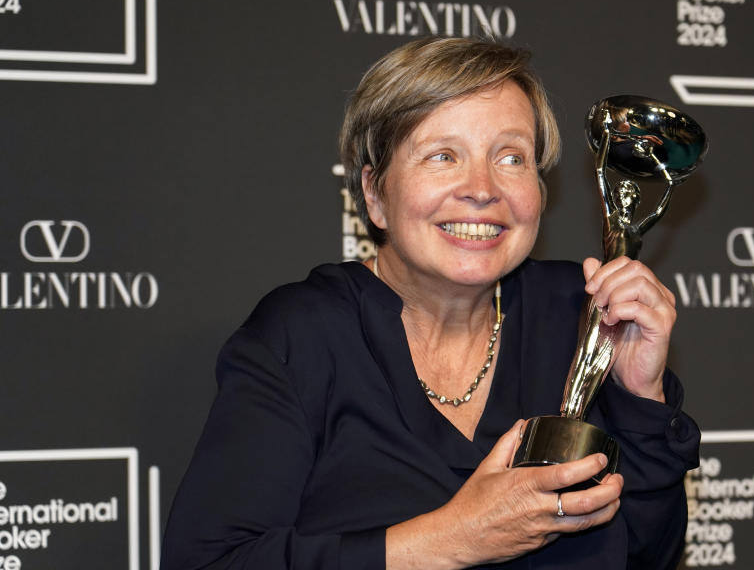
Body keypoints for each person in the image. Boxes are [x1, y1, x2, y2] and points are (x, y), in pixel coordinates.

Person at [160, 37, 700, 570]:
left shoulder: (581, 313)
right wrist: (451, 539)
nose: (481, 188)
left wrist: (640, 398)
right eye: (443, 155)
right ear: (374, 194)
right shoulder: (302, 334)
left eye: (511, 157)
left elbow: (646, 554)